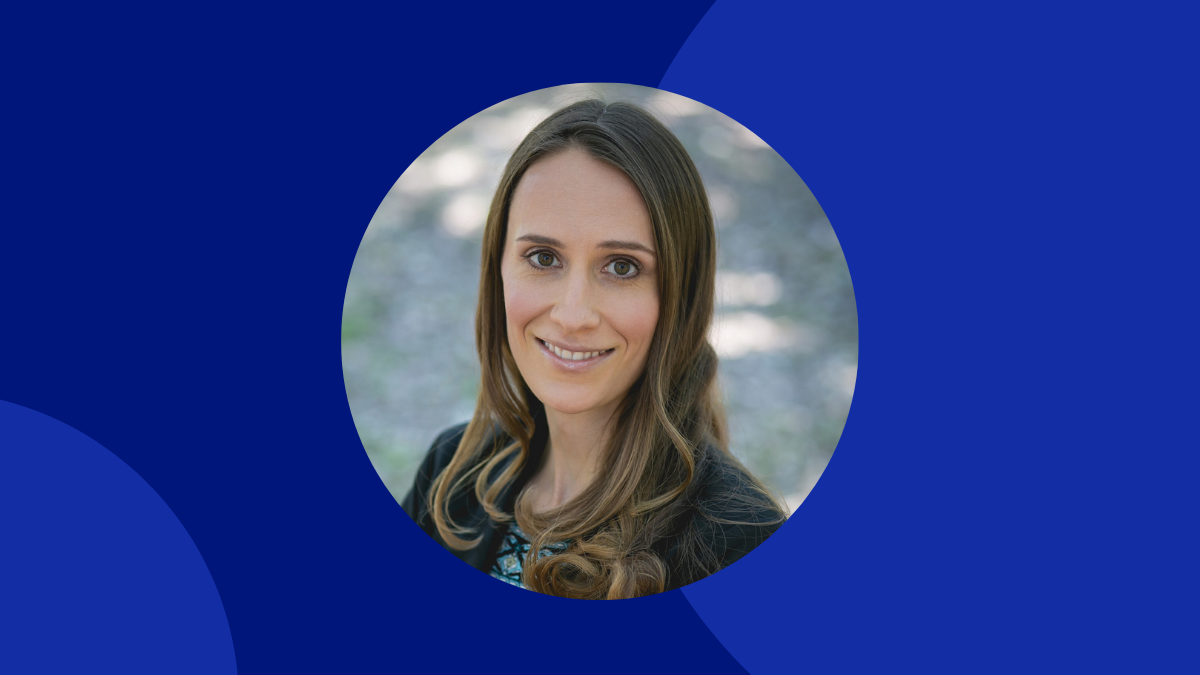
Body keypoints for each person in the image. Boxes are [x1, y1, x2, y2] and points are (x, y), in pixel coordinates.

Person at [401, 99, 786, 599]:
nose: (573, 315)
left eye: (622, 267)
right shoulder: (454, 471)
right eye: (543, 257)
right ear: (497, 269)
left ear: (681, 297)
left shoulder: (741, 542)